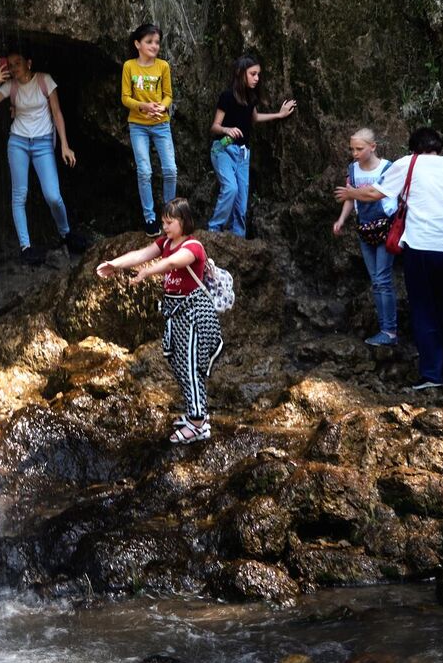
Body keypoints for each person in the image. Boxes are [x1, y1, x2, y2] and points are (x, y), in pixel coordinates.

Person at [335, 127, 443, 390]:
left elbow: (375, 193)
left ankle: (432, 375)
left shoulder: (407, 163)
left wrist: (351, 194)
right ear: (438, 147)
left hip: (422, 246)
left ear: (412, 148)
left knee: (424, 310)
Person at [96, 198, 221, 444]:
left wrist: (147, 272)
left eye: (169, 222)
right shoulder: (165, 242)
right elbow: (141, 254)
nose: (164, 227)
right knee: (176, 360)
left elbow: (174, 262)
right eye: (163, 222)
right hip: (176, 314)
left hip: (194, 314)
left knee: (189, 365)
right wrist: (116, 264)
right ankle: (195, 413)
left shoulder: (193, 247)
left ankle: (198, 423)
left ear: (183, 222)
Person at [0, 47, 86, 264]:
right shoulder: (10, 86)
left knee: (53, 196)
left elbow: (57, 113)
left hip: (43, 143)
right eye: (9, 65)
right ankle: (25, 247)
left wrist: (65, 146)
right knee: (19, 195)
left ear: (28, 63)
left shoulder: (44, 80)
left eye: (17, 63)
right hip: (18, 142)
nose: (13, 68)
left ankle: (66, 233)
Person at [207, 55, 297, 237]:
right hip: (223, 149)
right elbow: (214, 126)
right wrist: (227, 129)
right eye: (253, 74)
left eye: (258, 74)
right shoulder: (227, 96)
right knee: (231, 188)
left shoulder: (251, 97)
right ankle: (213, 230)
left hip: (243, 154)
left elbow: (254, 118)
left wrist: (279, 115)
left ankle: (237, 237)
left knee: (241, 201)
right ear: (241, 74)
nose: (257, 78)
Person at [331, 128, 401, 346]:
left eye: (359, 149)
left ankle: (389, 331)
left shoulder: (388, 168)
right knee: (376, 280)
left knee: (382, 279)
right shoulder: (352, 169)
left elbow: (381, 194)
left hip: (386, 228)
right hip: (365, 228)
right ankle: (385, 328)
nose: (355, 153)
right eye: (352, 149)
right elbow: (350, 198)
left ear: (373, 147)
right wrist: (342, 219)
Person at [122, 23, 177, 236]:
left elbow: (168, 94)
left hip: (161, 124)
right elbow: (125, 97)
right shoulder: (129, 66)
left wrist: (161, 107)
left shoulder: (163, 66)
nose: (154, 46)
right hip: (138, 125)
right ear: (138, 44)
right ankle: (150, 217)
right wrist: (143, 106)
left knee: (170, 169)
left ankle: (169, 213)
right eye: (149, 42)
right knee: (144, 171)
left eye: (157, 42)